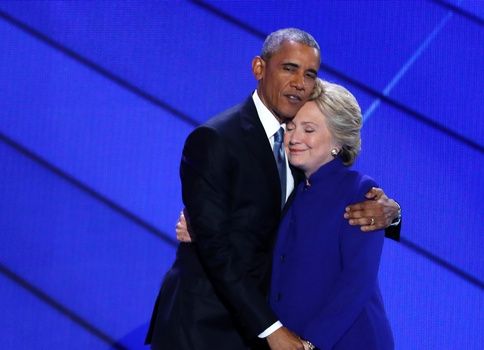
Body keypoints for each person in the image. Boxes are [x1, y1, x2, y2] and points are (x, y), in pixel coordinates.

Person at [146, 28, 401, 350]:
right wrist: (272, 330)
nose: (299, 82)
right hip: (209, 325)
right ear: (259, 68)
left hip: (285, 330)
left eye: (309, 74)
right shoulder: (216, 139)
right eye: (289, 68)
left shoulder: (306, 162)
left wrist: (392, 214)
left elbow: (346, 247)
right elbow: (217, 245)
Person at [270, 79, 394, 349]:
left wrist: (311, 343)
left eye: (309, 129)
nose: (295, 138)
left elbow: (357, 281)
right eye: (290, 127)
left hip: (345, 341)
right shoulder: (291, 184)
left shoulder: (361, 192)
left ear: (338, 140)